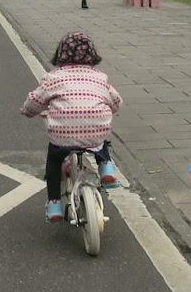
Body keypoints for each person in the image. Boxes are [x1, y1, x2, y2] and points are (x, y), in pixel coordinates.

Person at [20, 31, 123, 221]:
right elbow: (116, 101)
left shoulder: (53, 78)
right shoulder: (99, 77)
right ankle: (106, 168)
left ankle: (54, 205)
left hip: (62, 134)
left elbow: (35, 101)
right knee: (99, 139)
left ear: (60, 54)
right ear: (92, 55)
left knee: (54, 159)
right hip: (95, 127)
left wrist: (27, 111)